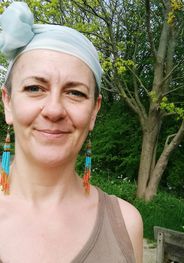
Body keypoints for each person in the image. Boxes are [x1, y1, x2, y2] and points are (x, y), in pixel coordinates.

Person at [0, 2, 143, 263]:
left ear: (94, 112)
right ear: (7, 102)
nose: (54, 110)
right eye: (35, 88)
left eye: (75, 92)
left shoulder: (127, 224)